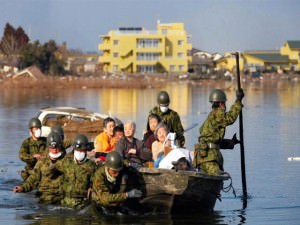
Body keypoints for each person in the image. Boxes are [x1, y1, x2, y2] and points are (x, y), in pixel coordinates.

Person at [193, 88, 244, 175]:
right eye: (224, 103)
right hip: (208, 158)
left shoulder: (213, 115)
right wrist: (238, 101)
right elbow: (230, 118)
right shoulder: (217, 113)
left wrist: (230, 143)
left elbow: (213, 140)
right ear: (221, 103)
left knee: (217, 178)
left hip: (207, 157)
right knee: (217, 176)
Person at [13, 132, 65, 205]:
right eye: (52, 148)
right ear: (48, 147)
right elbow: (34, 178)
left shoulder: (66, 161)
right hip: (44, 196)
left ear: (60, 147)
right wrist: (23, 188)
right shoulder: (42, 161)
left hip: (61, 197)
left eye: (56, 147)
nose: (54, 150)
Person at [54, 134, 96, 209]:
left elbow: (95, 184)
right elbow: (51, 169)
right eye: (77, 150)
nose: (79, 152)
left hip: (82, 204)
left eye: (81, 150)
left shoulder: (91, 166)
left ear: (86, 150)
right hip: (64, 203)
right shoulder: (66, 162)